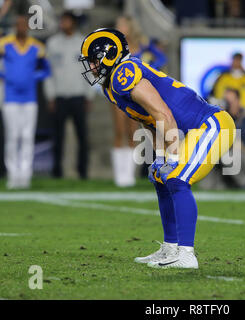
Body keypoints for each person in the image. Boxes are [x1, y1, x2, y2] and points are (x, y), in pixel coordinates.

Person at [79, 28, 236, 269]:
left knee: (176, 176)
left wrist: (172, 157)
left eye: (93, 61)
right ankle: (170, 249)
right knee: (161, 178)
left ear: (109, 55)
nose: (91, 67)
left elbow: (164, 114)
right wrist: (160, 157)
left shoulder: (124, 73)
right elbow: (150, 120)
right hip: (193, 129)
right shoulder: (111, 86)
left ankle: (186, 255)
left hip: (212, 125)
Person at [109, 16, 167, 187]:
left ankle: (129, 175)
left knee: (133, 130)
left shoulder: (142, 44)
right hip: (118, 92)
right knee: (120, 130)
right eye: (118, 24)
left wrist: (150, 71)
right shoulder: (115, 47)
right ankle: (120, 175)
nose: (119, 27)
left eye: (122, 24)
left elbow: (161, 58)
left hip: (137, 93)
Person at [0, 15, 50, 189]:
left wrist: (33, 77)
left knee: (27, 136)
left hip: (30, 98)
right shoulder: (5, 44)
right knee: (13, 136)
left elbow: (46, 69)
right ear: (15, 26)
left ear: (28, 27)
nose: (21, 27)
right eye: (18, 24)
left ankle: (25, 175)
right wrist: (6, 76)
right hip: (11, 97)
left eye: (24, 25)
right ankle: (13, 174)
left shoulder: (37, 47)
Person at [45, 11, 94, 179]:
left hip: (78, 96)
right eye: (62, 20)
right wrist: (50, 95)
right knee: (58, 137)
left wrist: (89, 95)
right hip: (60, 97)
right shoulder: (52, 44)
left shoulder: (83, 43)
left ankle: (83, 172)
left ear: (73, 23)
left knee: (83, 136)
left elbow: (89, 72)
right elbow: (48, 72)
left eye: (66, 21)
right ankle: (56, 171)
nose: (63, 23)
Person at [200, 88, 245, 190]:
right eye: (225, 101)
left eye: (230, 101)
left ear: (238, 101)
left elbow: (237, 140)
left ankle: (244, 182)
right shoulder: (223, 117)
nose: (228, 104)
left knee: (227, 155)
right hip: (225, 159)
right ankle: (226, 184)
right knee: (207, 185)